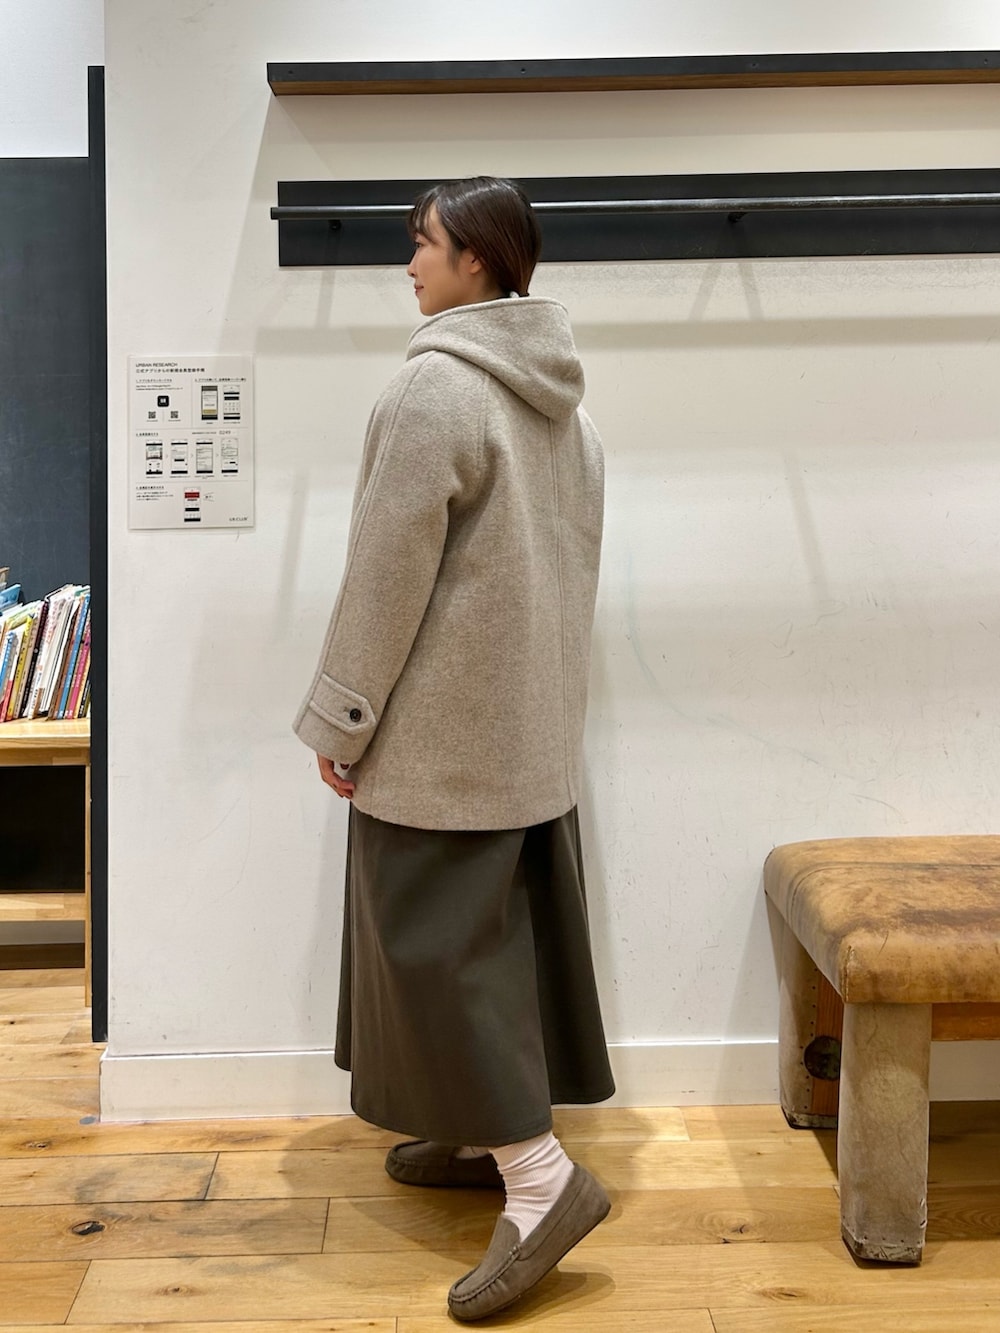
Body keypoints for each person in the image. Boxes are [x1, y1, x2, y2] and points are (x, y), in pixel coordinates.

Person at [293, 175, 614, 1321]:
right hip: (524, 736)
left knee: (435, 951)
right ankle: (481, 1133)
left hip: (438, 741)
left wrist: (342, 715)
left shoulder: (436, 388)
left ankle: (539, 1179)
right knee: (495, 946)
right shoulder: (567, 410)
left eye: (422, 243)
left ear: (476, 258)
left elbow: (384, 577)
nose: (409, 262)